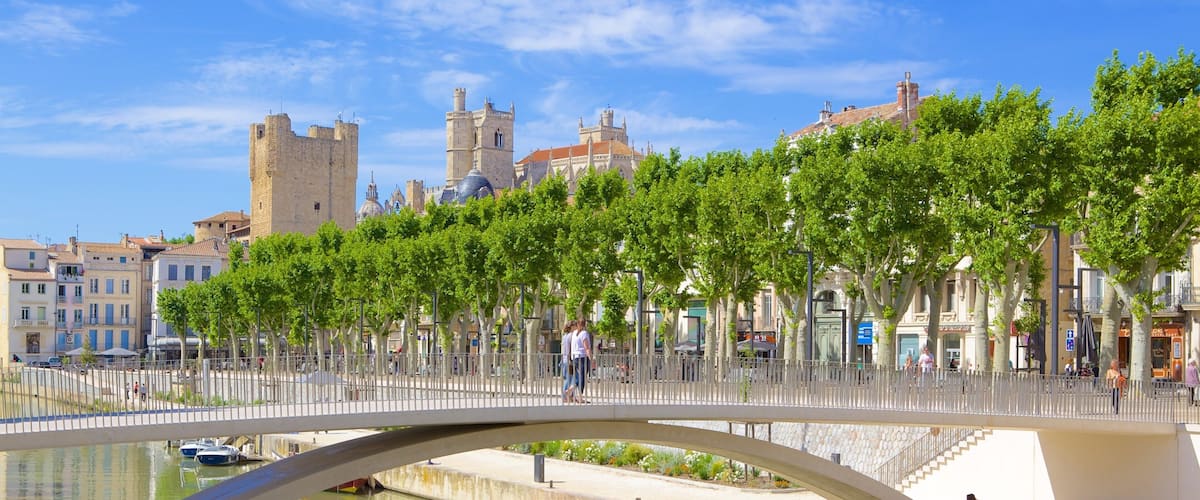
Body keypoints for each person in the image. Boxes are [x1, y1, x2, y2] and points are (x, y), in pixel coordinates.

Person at [571, 319, 594, 403]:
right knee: (582, 377)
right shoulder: (584, 333)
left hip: (575, 357)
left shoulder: (574, 333)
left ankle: (570, 390)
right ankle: (580, 397)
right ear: (585, 325)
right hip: (582, 357)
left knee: (578, 376)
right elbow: (586, 347)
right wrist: (591, 358)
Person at [561, 320, 578, 403]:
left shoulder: (565, 336)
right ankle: (566, 396)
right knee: (570, 379)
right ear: (572, 327)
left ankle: (569, 396)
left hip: (565, 359)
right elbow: (571, 348)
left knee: (568, 379)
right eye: (575, 326)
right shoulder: (571, 336)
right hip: (569, 360)